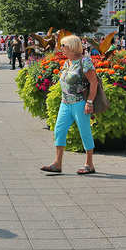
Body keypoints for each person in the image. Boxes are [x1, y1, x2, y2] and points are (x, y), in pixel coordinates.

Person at [41, 35, 99, 175]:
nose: (61, 49)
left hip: (80, 102)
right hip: (65, 102)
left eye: (64, 46)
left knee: (84, 131)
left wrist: (89, 102)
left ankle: (89, 164)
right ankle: (57, 163)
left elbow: (94, 82)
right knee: (59, 130)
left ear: (72, 47)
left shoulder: (84, 62)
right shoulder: (68, 62)